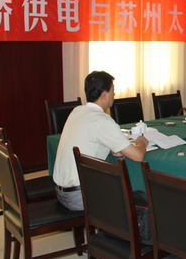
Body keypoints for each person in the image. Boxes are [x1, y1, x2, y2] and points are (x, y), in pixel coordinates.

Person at [52, 71, 148, 211]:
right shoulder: (102, 121)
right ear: (104, 94)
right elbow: (138, 156)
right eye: (113, 90)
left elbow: (88, 139)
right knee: (136, 195)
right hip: (80, 197)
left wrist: (109, 149)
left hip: (61, 192)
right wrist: (141, 142)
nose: (114, 94)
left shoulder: (77, 111)